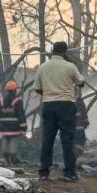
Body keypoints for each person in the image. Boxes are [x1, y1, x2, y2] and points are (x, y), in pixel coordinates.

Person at [32, 41, 85, 181]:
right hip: (66, 105)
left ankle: (44, 172)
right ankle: (69, 172)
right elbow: (81, 82)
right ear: (65, 52)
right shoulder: (70, 66)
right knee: (67, 139)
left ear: (52, 50)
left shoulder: (43, 67)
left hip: (48, 105)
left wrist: (49, 92)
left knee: (47, 138)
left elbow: (37, 87)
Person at [0, 80, 27, 165]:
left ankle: (6, 160)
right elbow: (21, 115)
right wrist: (24, 127)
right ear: (14, 90)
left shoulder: (1, 101)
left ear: (7, 90)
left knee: (5, 141)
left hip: (4, 127)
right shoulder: (18, 101)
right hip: (14, 128)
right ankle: (13, 160)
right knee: (13, 142)